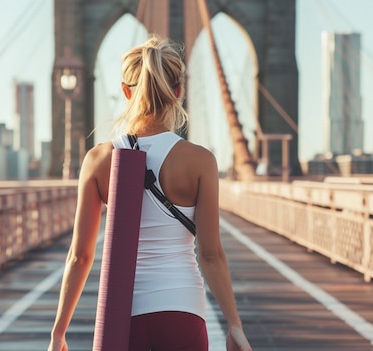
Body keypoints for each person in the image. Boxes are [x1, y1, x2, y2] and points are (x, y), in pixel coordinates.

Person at [48, 35, 252, 351]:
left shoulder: (99, 159)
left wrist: (59, 332)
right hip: (182, 310)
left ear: (125, 92)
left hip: (120, 317)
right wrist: (234, 324)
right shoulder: (200, 161)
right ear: (179, 91)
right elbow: (211, 254)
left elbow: (80, 256)